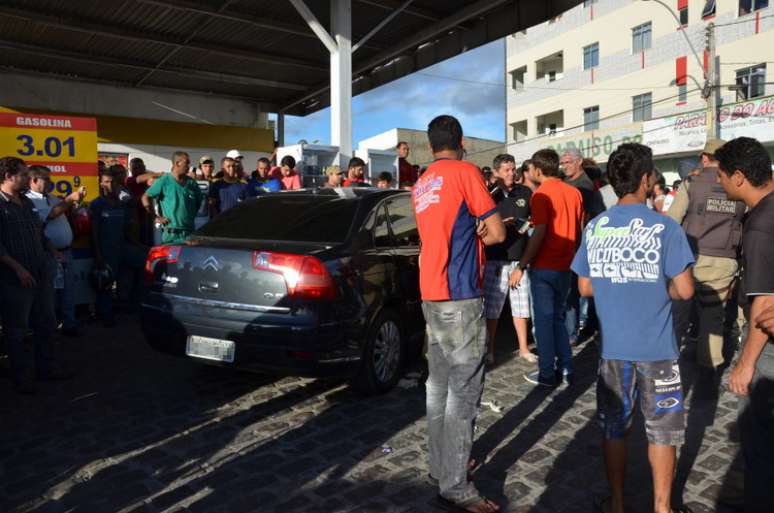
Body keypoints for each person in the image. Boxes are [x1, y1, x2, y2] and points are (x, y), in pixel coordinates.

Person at [571, 142, 695, 513]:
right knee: (663, 431)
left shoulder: (596, 227)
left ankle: (618, 503)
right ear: (645, 179)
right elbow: (686, 290)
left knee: (614, 428)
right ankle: (662, 507)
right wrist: (657, 287)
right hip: (658, 349)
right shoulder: (665, 228)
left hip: (613, 350)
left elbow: (585, 286)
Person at [413, 115, 505, 513]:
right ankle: (455, 484)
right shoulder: (466, 171)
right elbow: (498, 232)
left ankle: (440, 466)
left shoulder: (421, 182)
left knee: (438, 388)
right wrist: (484, 231)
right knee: (463, 393)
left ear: (431, 145)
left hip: (430, 293)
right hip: (460, 293)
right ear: (461, 141)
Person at [714, 137, 774, 513]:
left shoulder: (761, 225)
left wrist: (746, 363)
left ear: (738, 177)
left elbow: (765, 304)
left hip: (767, 350)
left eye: (720, 176)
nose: (718, 183)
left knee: (759, 443)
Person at [667, 139, 746, 387]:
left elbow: (672, 222)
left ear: (704, 158)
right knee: (713, 318)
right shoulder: (738, 185)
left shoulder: (691, 183)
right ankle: (709, 368)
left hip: (690, 259)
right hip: (724, 259)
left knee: (679, 314)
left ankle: (667, 364)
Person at [509, 149, 583, 387]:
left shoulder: (540, 195)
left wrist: (522, 265)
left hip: (544, 266)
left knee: (543, 323)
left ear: (538, 170)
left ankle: (547, 373)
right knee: (558, 320)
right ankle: (567, 368)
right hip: (565, 265)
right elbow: (579, 231)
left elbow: (539, 232)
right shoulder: (574, 193)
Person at [0, 157, 69, 393]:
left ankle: (46, 369)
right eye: (22, 174)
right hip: (14, 277)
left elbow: (37, 231)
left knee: (47, 322)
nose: (27, 178)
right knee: (17, 330)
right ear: (9, 176)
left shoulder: (26, 203)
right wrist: (18, 268)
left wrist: (52, 251)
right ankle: (21, 378)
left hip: (40, 270)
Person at [483, 154, 535, 365]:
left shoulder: (525, 192)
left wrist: (525, 224)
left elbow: (534, 220)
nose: (511, 173)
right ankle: (490, 350)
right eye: (506, 170)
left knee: (522, 308)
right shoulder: (490, 195)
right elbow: (481, 224)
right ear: (496, 173)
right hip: (496, 258)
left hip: (519, 258)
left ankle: (523, 348)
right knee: (493, 310)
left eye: (513, 169)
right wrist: (501, 224)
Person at [25, 166, 85, 336]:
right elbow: (51, 215)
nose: (51, 182)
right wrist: (70, 199)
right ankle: (47, 329)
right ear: (34, 180)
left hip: (65, 251)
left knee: (68, 290)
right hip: (48, 253)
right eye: (46, 178)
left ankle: (69, 324)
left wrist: (75, 204)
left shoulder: (52, 197)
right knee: (48, 294)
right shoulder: (29, 200)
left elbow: (61, 213)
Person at [90, 165, 148, 325]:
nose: (110, 185)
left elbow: (126, 228)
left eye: (113, 182)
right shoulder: (97, 204)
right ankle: (106, 314)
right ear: (101, 184)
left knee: (145, 262)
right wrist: (98, 256)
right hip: (106, 251)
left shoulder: (121, 203)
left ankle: (131, 303)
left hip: (123, 247)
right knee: (105, 283)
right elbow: (94, 232)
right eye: (107, 182)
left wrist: (138, 245)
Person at [561, 148, 603, 345]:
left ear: (579, 162)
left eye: (568, 162)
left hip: (578, 243)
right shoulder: (565, 182)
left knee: (574, 291)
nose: (565, 166)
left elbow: (586, 219)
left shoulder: (584, 185)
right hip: (568, 241)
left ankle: (572, 333)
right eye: (563, 163)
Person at [142, 151, 205, 244]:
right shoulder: (164, 180)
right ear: (177, 163)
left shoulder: (191, 183)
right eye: (186, 163)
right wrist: (155, 217)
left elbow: (199, 201)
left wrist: (189, 215)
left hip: (189, 233)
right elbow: (145, 197)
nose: (189, 166)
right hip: (171, 235)